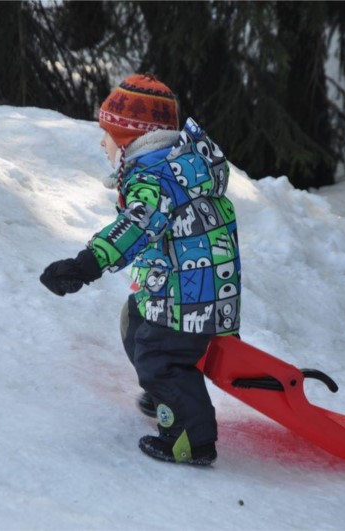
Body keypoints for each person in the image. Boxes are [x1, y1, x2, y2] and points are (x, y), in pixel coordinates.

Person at [39, 74, 241, 467]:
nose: (102, 143)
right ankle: (165, 393)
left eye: (108, 135)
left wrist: (85, 266)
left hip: (190, 294)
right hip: (189, 288)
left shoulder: (154, 179)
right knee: (135, 320)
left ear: (131, 140)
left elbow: (136, 226)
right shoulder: (171, 169)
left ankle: (191, 441)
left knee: (160, 357)